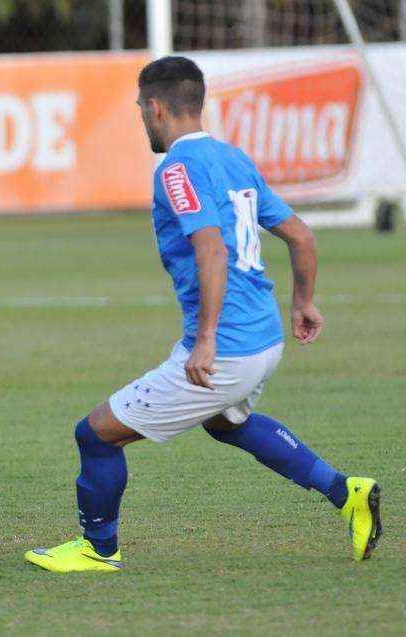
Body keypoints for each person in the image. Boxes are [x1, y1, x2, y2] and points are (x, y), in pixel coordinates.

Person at [25, 56, 381, 573]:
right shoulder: (235, 158)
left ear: (154, 107)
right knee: (226, 423)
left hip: (227, 348)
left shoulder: (174, 168)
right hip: (265, 339)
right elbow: (302, 236)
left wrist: (207, 340)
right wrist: (303, 302)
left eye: (139, 110)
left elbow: (210, 249)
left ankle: (96, 550)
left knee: (96, 434)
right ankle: (345, 492)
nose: (141, 119)